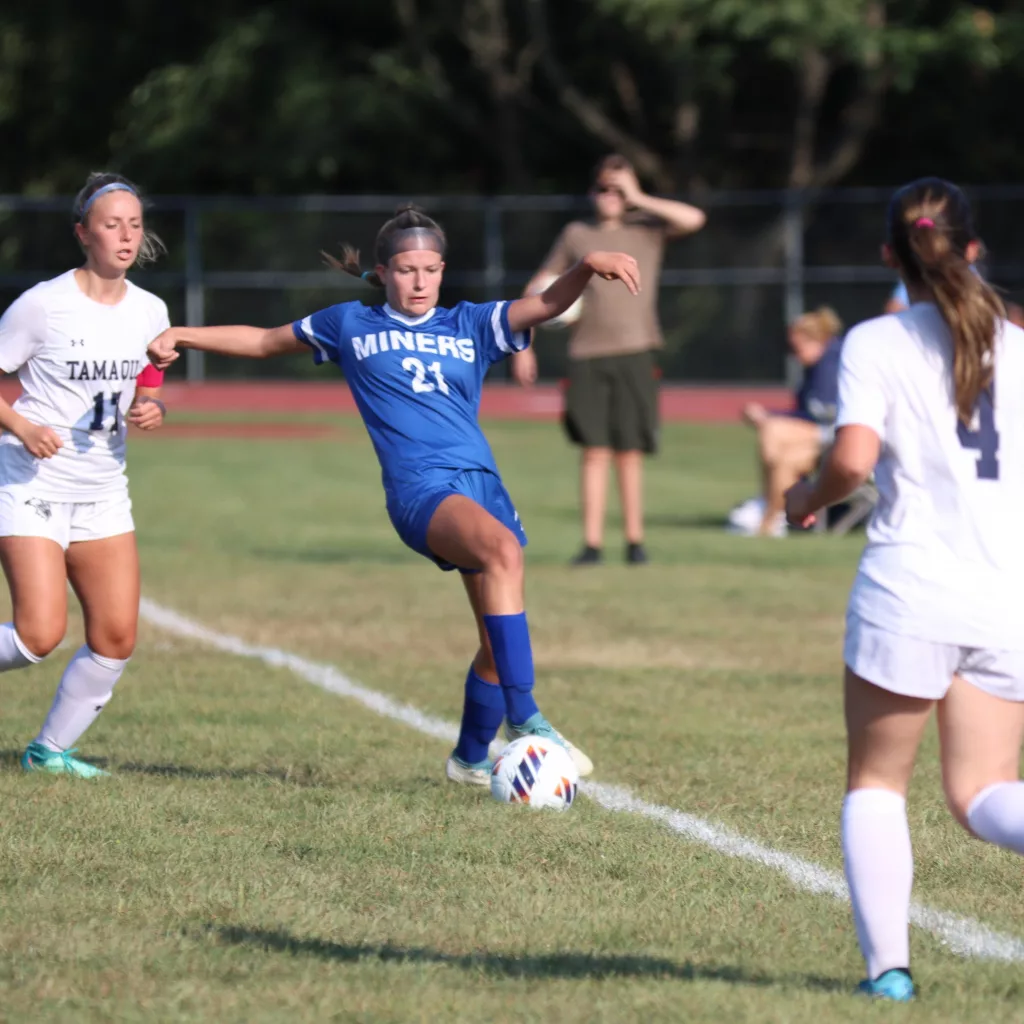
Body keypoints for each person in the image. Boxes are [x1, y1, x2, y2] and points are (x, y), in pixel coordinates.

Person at [147, 204, 642, 785]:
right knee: (503, 553)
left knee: (495, 640)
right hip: (420, 490)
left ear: (442, 270)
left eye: (430, 269)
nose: (419, 281)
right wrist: (183, 333)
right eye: (406, 269)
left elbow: (547, 304)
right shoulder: (351, 325)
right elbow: (261, 341)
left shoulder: (471, 323)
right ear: (382, 272)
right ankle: (527, 718)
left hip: (482, 485)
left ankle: (468, 759)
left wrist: (585, 266)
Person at [784, 178, 1024, 1002]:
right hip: (1008, 596)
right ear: (973, 249)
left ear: (892, 257)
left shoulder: (877, 341)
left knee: (878, 784)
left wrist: (803, 500)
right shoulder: (1020, 344)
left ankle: (888, 974)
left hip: (911, 590)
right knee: (985, 792)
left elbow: (851, 461)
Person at [0, 171, 169, 777]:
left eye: (135, 224)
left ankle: (48, 753)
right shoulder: (44, 305)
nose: (126, 236)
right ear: (83, 233)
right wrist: (21, 427)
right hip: (31, 483)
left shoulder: (151, 310)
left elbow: (148, 384)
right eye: (111, 224)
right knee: (36, 636)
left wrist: (154, 406)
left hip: (102, 491)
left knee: (116, 637)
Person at [511, 154, 706, 566]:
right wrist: (523, 346)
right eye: (604, 188)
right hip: (587, 353)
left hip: (637, 350)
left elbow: (694, 219)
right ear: (591, 192)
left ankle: (635, 542)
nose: (611, 196)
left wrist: (639, 196)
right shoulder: (577, 234)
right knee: (594, 450)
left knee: (630, 450)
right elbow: (539, 287)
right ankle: (592, 544)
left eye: (618, 190)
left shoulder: (647, 229)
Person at [728, 307, 843, 537]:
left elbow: (820, 414)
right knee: (780, 453)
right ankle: (771, 509)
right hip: (824, 440)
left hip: (838, 439)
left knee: (773, 429)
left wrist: (770, 416)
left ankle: (769, 510)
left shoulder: (832, 365)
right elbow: (804, 412)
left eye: (797, 347)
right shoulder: (815, 368)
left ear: (815, 341)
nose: (793, 354)